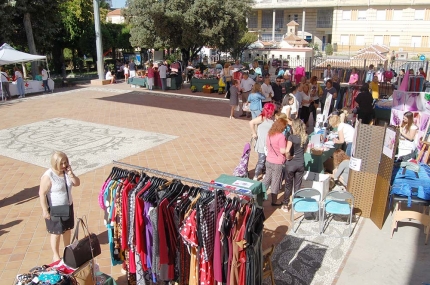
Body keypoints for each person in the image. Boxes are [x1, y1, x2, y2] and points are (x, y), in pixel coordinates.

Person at [39, 151, 80, 262]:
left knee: (67, 230)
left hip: (67, 207)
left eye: (65, 162)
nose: (64, 165)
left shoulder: (66, 172)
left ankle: (67, 251)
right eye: (61, 163)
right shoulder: (48, 176)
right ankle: (56, 255)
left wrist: (71, 173)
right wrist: (45, 210)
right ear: (55, 163)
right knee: (56, 233)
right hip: (55, 209)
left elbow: (77, 183)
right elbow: (42, 193)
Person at [282, 119, 308, 212]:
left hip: (291, 164)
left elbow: (287, 151)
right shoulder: (306, 137)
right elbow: (304, 151)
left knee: (288, 185)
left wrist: (289, 157)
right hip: (300, 163)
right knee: (297, 186)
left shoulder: (291, 137)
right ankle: (296, 205)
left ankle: (285, 204)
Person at [262, 118, 288, 206]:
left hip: (269, 159)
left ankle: (260, 195)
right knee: (275, 181)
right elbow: (282, 150)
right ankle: (274, 201)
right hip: (278, 162)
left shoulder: (269, 134)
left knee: (267, 179)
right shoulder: (281, 136)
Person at [249, 103, 276, 180]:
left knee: (267, 161)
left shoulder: (271, 119)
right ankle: (256, 175)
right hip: (261, 143)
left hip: (269, 144)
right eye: (273, 110)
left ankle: (264, 173)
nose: (274, 111)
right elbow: (251, 122)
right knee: (261, 160)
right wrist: (254, 132)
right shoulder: (262, 118)